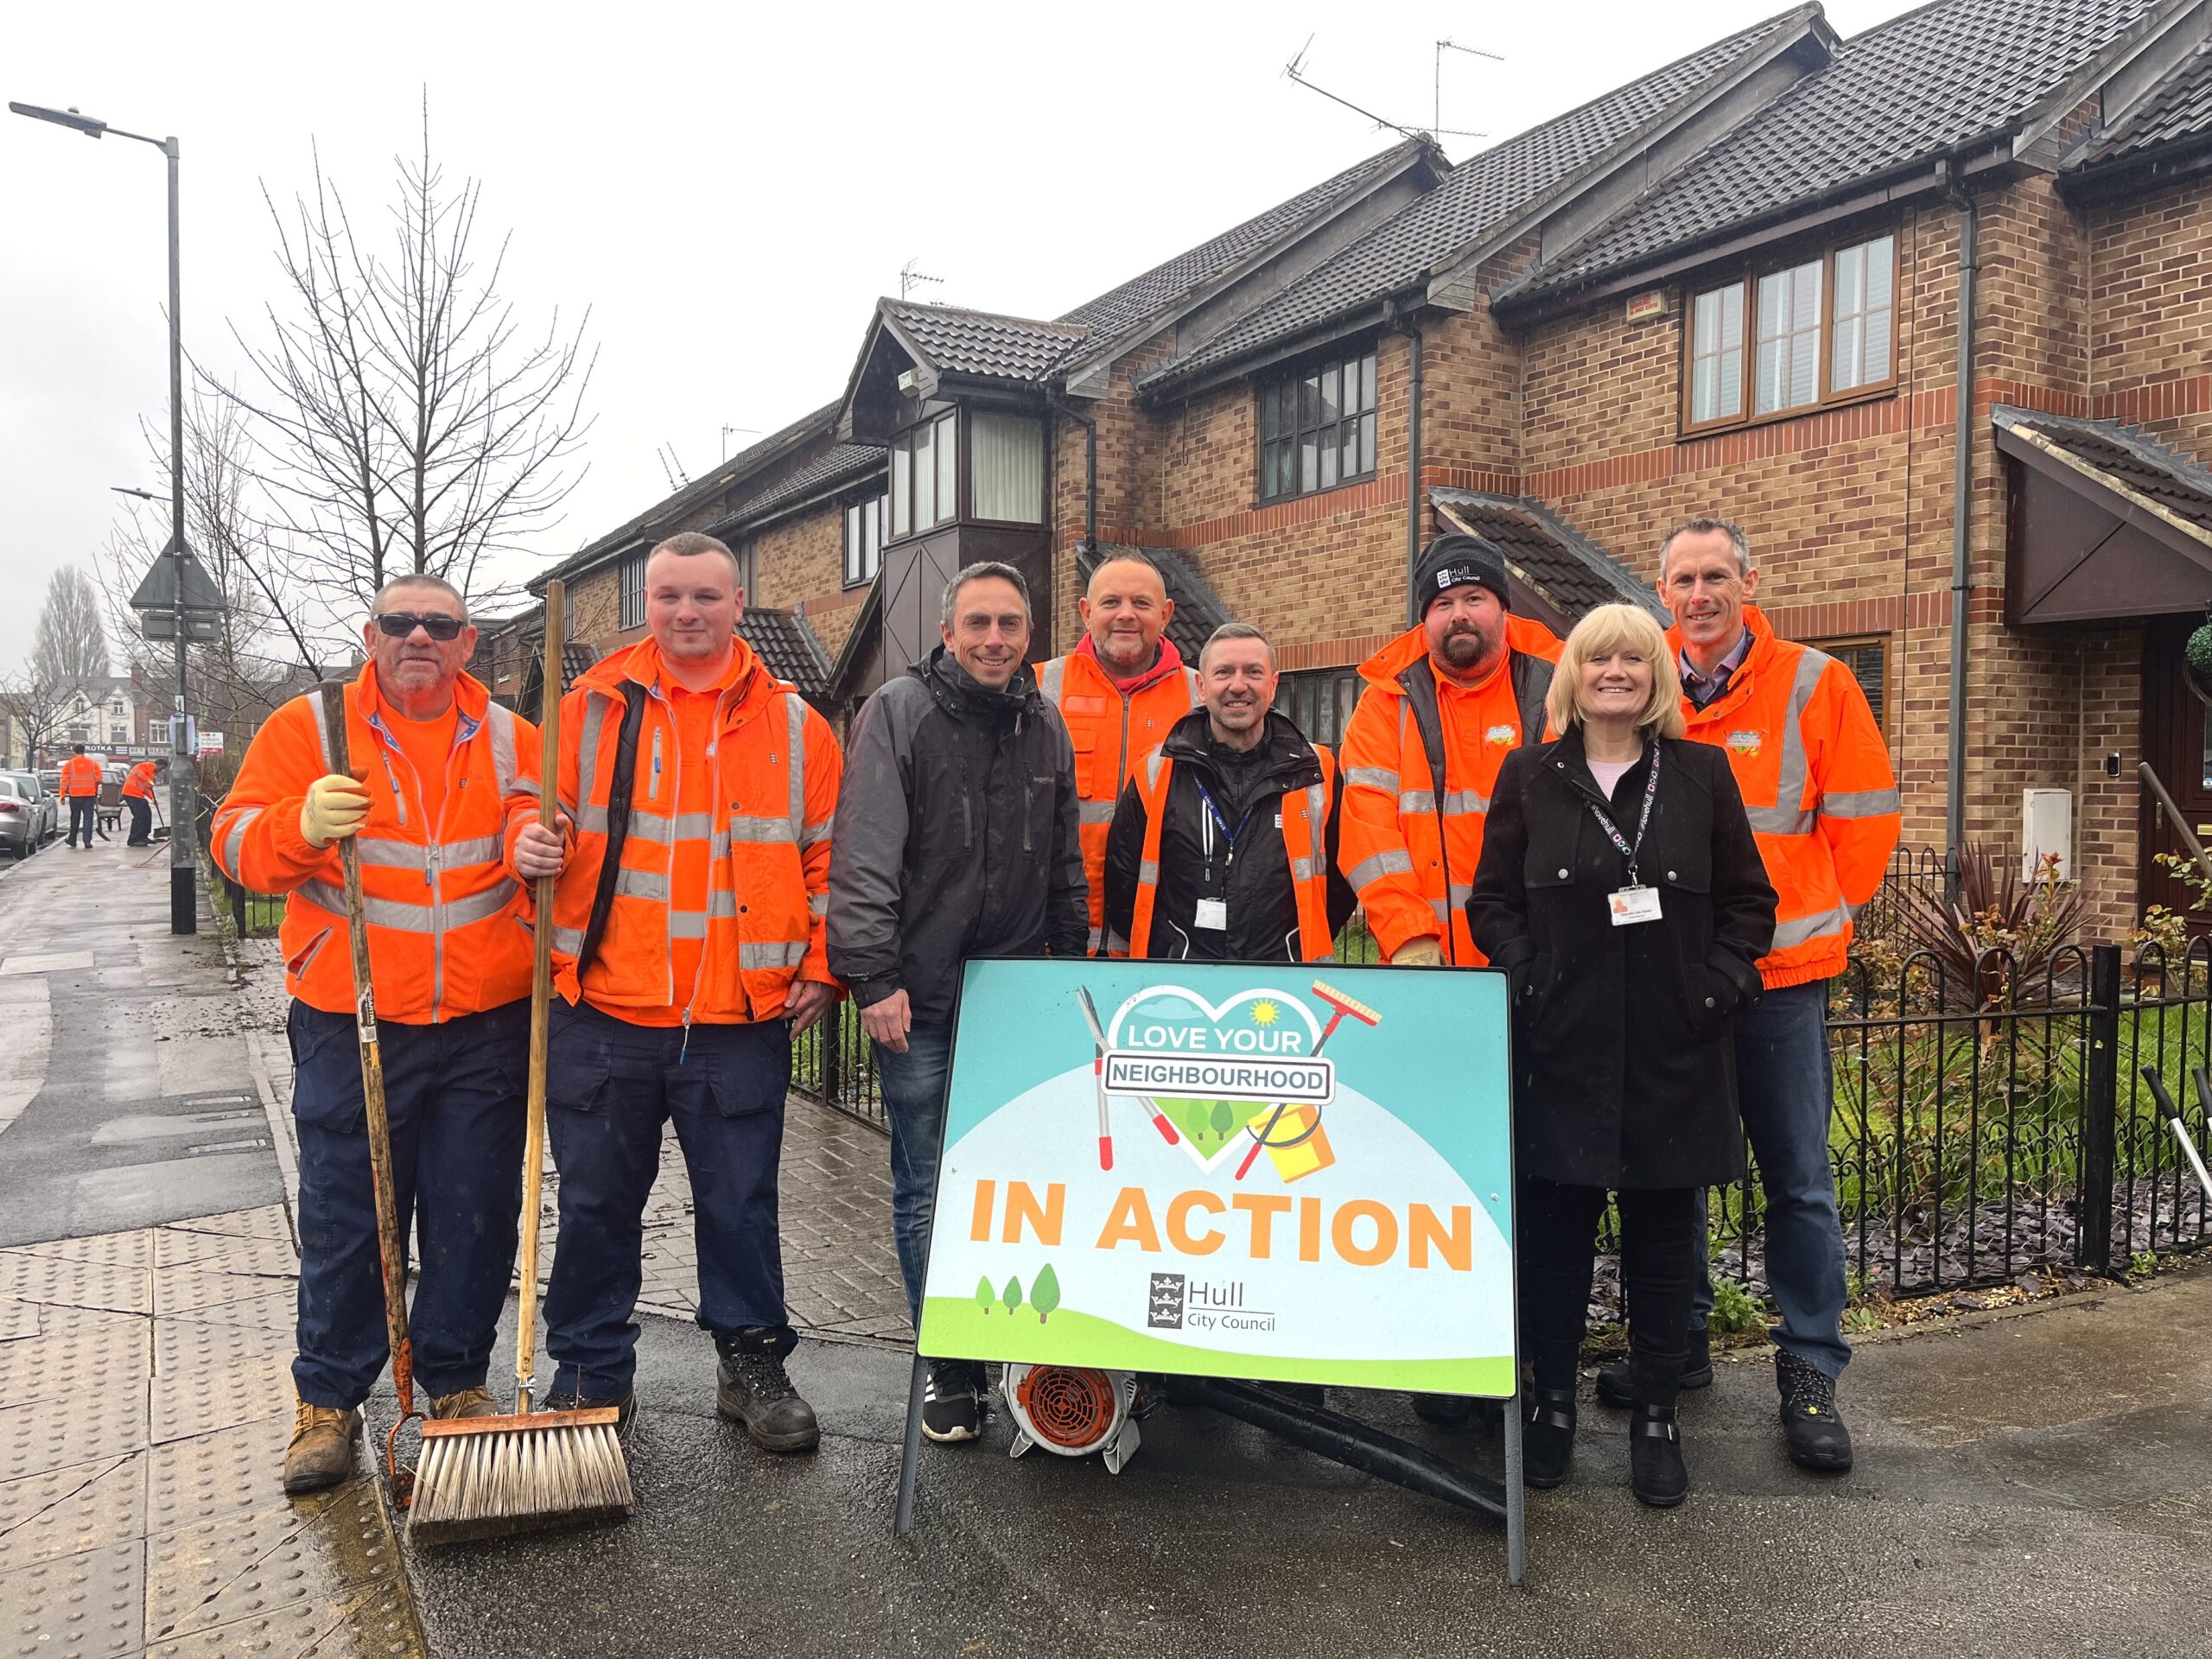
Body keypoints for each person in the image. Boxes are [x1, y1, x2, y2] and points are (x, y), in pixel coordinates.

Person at [511, 531, 840, 1452]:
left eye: (704, 596)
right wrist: (524, 842)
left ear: (738, 604)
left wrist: (824, 965)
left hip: (737, 1018)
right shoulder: (586, 711)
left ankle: (751, 1363)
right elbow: (533, 812)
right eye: (668, 596)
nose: (686, 612)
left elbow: (829, 857)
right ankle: (589, 1371)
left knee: (740, 1206)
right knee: (594, 1206)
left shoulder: (796, 726)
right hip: (604, 1010)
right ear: (645, 605)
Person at [212, 575, 540, 1495]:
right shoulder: (311, 728)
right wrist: (299, 826)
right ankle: (328, 1399)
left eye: (440, 624)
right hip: (348, 1013)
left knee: (476, 1209)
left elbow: (546, 830)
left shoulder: (512, 737)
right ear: (371, 636)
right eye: (401, 623)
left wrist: (537, 845)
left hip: (485, 1019)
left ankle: (457, 1382)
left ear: (468, 642)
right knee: (347, 1212)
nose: (419, 637)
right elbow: (232, 844)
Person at [1592, 518, 1900, 1474]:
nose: (1700, 595)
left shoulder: (1815, 682)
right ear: (1661, 593)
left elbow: (1866, 822)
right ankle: (1677, 1342)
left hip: (1780, 980)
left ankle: (1809, 1369)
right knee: (1669, 1168)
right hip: (1674, 981)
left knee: (1797, 1180)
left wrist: (1811, 914)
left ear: (1748, 583)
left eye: (1715, 576)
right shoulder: (1642, 685)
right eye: (1683, 579)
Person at [1469, 602, 1776, 1506]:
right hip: (1561, 1047)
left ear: (1655, 677)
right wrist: (1525, 977)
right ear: (1574, 674)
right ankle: (1553, 1408)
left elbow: (1749, 904)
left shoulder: (1702, 774)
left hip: (1673, 1049)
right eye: (1599, 658)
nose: (1616, 672)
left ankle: (1655, 1418)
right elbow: (1493, 902)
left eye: (1634, 659)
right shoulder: (1529, 774)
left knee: (1660, 1242)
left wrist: (1715, 989)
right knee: (1556, 1240)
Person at [828, 561, 1089, 1445]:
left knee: (1020, 1185)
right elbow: (865, 850)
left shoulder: (1043, 721)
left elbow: (1063, 858)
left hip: (1015, 999)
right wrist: (873, 976)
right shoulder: (898, 712)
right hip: (922, 999)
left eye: (1010, 624)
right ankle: (949, 1363)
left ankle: (1016, 1342)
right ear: (947, 634)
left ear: (1030, 636)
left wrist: (1071, 970)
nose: (994, 639)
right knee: (929, 1183)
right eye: (977, 623)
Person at [1338, 533, 1562, 973]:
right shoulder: (1386, 702)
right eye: (1443, 603)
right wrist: (1408, 935)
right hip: (1425, 964)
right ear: (1425, 619)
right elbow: (1368, 830)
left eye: (1474, 598)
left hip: (1544, 961)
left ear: (1503, 608)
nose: (1459, 614)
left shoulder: (1562, 687)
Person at [1103, 621, 1354, 963]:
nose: (1238, 685)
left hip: (1285, 979)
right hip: (1181, 979)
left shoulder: (1317, 772)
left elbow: (1341, 884)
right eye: (1223, 672)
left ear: (1273, 685)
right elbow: (1123, 882)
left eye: (1253, 672)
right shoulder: (1156, 772)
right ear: (1202, 686)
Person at [1035, 551, 1200, 953]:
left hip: (1161, 946)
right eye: (1111, 602)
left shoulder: (1201, 697)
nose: (1126, 614)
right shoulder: (1038, 689)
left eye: (1141, 603)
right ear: (1086, 612)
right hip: (1053, 943)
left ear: (1166, 614)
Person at [58, 745, 101, 849]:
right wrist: (94, 788)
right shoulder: (93, 763)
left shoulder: (69, 764)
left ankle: (72, 840)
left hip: (75, 795)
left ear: (74, 751)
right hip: (89, 795)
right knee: (88, 817)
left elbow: (64, 781)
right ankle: (87, 841)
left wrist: (62, 795)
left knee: (75, 817)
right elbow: (99, 779)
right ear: (84, 751)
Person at [122, 757, 161, 846]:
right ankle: (134, 839)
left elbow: (146, 789)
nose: (160, 771)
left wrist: (153, 799)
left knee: (147, 814)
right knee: (139, 816)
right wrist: (149, 781)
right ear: (159, 765)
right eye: (161, 769)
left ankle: (143, 836)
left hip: (137, 795)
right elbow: (140, 773)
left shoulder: (151, 773)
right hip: (130, 794)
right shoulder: (144, 766)